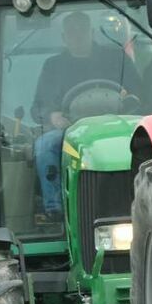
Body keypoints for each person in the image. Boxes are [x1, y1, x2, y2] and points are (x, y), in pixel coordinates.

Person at [32, 11, 139, 217]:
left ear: (91, 32)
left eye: (81, 31)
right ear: (64, 38)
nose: (77, 36)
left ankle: (142, 200)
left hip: (117, 127)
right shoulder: (53, 66)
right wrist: (52, 116)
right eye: (71, 33)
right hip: (70, 131)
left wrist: (129, 97)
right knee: (44, 146)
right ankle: (56, 209)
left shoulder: (116, 58)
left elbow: (140, 93)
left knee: (145, 146)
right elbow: (38, 106)